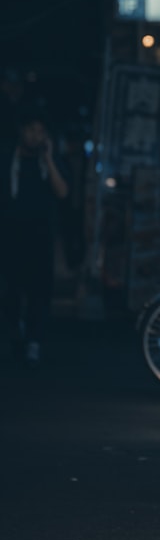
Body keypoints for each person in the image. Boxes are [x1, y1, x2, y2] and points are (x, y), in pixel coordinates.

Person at [0, 110, 69, 364]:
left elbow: (62, 192)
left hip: (41, 236)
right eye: (31, 130)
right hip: (10, 235)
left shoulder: (48, 161)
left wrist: (49, 158)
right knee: (11, 291)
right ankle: (17, 331)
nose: (35, 136)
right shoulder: (7, 158)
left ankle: (34, 340)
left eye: (40, 131)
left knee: (40, 291)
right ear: (21, 131)